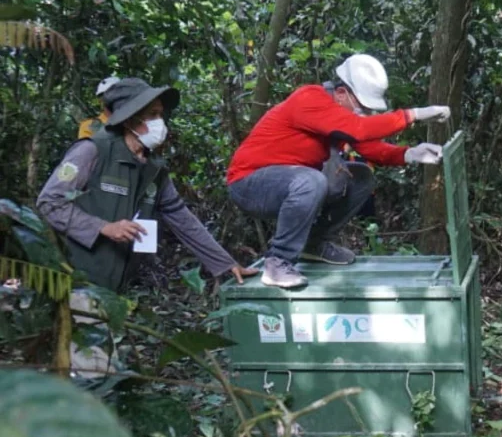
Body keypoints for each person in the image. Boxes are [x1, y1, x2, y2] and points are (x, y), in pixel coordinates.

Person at [37, 78, 258, 379]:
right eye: (152, 114)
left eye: (161, 114)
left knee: (100, 370)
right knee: (93, 373)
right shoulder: (93, 150)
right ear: (130, 119)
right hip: (79, 279)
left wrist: (225, 263)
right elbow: (49, 202)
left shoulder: (154, 168)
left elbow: (181, 217)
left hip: (116, 287)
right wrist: (103, 227)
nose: (160, 122)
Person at [227, 54, 451, 289]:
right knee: (312, 181)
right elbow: (359, 129)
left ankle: (313, 244)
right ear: (342, 93)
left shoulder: (336, 117)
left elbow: (370, 148)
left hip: (290, 182)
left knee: (360, 176)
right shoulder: (309, 98)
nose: (364, 113)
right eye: (362, 106)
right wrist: (413, 115)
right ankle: (278, 262)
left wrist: (410, 154)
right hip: (249, 183)